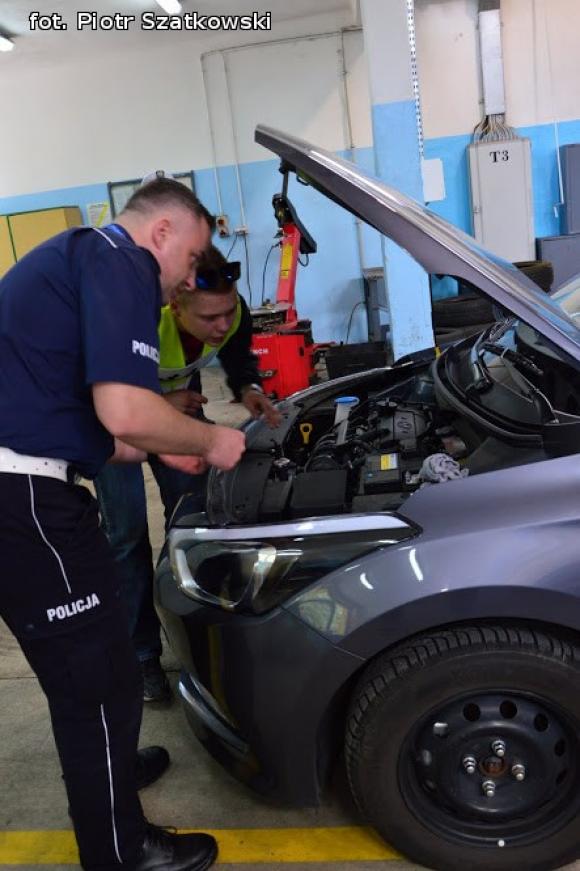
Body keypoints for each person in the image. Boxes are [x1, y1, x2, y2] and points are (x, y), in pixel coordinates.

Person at [0, 177, 246, 871]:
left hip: (28, 486)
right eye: (193, 259)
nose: (189, 280)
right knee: (97, 675)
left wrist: (166, 437)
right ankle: (120, 849)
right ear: (161, 232)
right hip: (21, 497)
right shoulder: (118, 259)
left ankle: (102, 767)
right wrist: (210, 441)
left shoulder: (78, 260)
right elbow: (125, 413)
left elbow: (98, 427)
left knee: (95, 654)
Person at [95, 243, 281, 702]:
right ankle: (140, 657)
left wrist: (248, 387)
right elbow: (106, 395)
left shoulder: (230, 313)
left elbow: (237, 354)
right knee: (126, 538)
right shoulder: (132, 317)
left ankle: (198, 639)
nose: (222, 325)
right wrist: (162, 406)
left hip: (178, 410)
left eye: (227, 313)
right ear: (174, 305)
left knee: (193, 523)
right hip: (116, 425)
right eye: (208, 318)